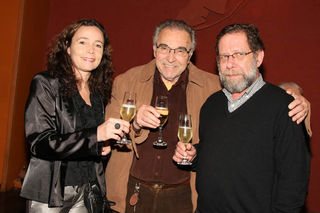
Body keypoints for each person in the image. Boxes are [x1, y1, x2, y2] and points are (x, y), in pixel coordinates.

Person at [105, 19, 310, 213]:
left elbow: (293, 180)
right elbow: (107, 134)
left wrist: (295, 96)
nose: (170, 57)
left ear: (190, 53)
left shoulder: (212, 88)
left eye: (180, 50)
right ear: (154, 50)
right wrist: (135, 124)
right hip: (135, 193)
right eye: (164, 48)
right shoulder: (128, 81)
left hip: (183, 197)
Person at [173, 23, 310, 213]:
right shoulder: (211, 104)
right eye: (224, 57)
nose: (230, 64)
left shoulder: (285, 107)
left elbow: (293, 184)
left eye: (238, 55)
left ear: (258, 57)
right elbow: (218, 152)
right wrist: (195, 155)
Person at [20, 19, 130, 212]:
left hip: (87, 189)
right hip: (51, 194)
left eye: (98, 45)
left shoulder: (98, 92)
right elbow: (40, 143)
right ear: (67, 47)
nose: (91, 50)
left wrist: (102, 146)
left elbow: (87, 140)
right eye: (83, 42)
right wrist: (96, 135)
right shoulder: (46, 83)